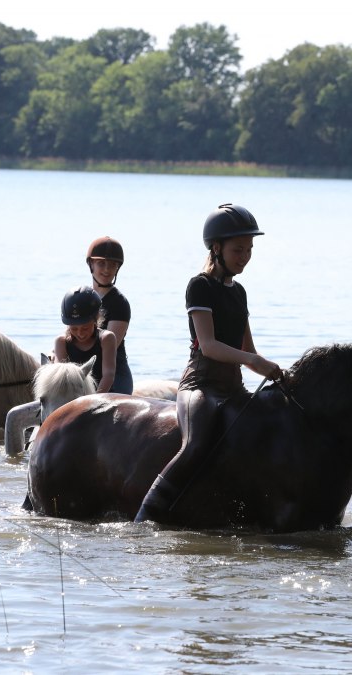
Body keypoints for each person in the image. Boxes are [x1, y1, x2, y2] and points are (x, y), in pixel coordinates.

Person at [134, 203, 282, 523]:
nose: (245, 256)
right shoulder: (199, 286)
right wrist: (253, 359)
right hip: (200, 385)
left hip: (233, 386)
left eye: (249, 249)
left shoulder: (239, 293)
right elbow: (210, 346)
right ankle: (147, 515)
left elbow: (248, 350)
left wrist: (278, 372)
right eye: (238, 249)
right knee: (195, 444)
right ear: (217, 248)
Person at [86, 236, 134, 394]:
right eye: (101, 263)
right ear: (91, 264)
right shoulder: (83, 298)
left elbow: (108, 347)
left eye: (112, 265)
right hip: (86, 370)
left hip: (114, 374)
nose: (107, 269)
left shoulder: (119, 303)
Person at [53, 286, 118, 394]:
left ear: (96, 319)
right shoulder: (61, 342)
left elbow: (109, 375)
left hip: (102, 396)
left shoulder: (107, 338)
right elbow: (61, 379)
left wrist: (92, 402)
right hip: (72, 398)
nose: (80, 333)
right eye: (74, 328)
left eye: (85, 328)